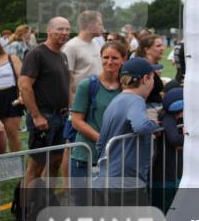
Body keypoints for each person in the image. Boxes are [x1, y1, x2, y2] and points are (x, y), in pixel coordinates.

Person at [18, 17, 72, 184]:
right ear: (49, 31)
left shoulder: (62, 55)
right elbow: (25, 86)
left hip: (62, 118)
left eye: (67, 29)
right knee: (36, 167)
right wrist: (36, 116)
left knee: (55, 163)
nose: (64, 33)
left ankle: (47, 198)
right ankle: (27, 201)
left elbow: (66, 86)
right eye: (60, 29)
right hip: (44, 118)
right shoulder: (37, 54)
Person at [96, 57, 163, 187]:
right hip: (125, 179)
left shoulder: (117, 100)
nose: (154, 83)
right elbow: (141, 126)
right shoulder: (135, 100)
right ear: (145, 79)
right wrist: (154, 126)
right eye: (153, 78)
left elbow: (100, 143)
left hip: (108, 175)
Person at [68, 40, 126, 180]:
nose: (109, 62)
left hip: (115, 157)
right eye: (106, 57)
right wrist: (103, 141)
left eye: (114, 58)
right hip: (86, 157)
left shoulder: (126, 88)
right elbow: (76, 121)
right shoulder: (87, 85)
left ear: (124, 59)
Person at [152, 87, 184, 211]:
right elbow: (174, 139)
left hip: (171, 175)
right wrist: (190, 136)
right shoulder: (167, 118)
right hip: (165, 177)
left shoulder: (175, 119)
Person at [63, 10, 104, 96]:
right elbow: (66, 79)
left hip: (97, 96)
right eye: (100, 24)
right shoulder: (71, 47)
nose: (102, 28)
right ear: (91, 26)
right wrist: (71, 101)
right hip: (80, 99)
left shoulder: (96, 43)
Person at [0, 40, 24, 152]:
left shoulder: (11, 58)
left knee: (12, 133)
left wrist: (21, 95)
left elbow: (22, 78)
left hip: (10, 97)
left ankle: (17, 161)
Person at [135, 33, 166, 108]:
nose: (162, 48)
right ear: (147, 50)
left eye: (162, 45)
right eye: (158, 46)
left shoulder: (151, 66)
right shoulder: (143, 68)